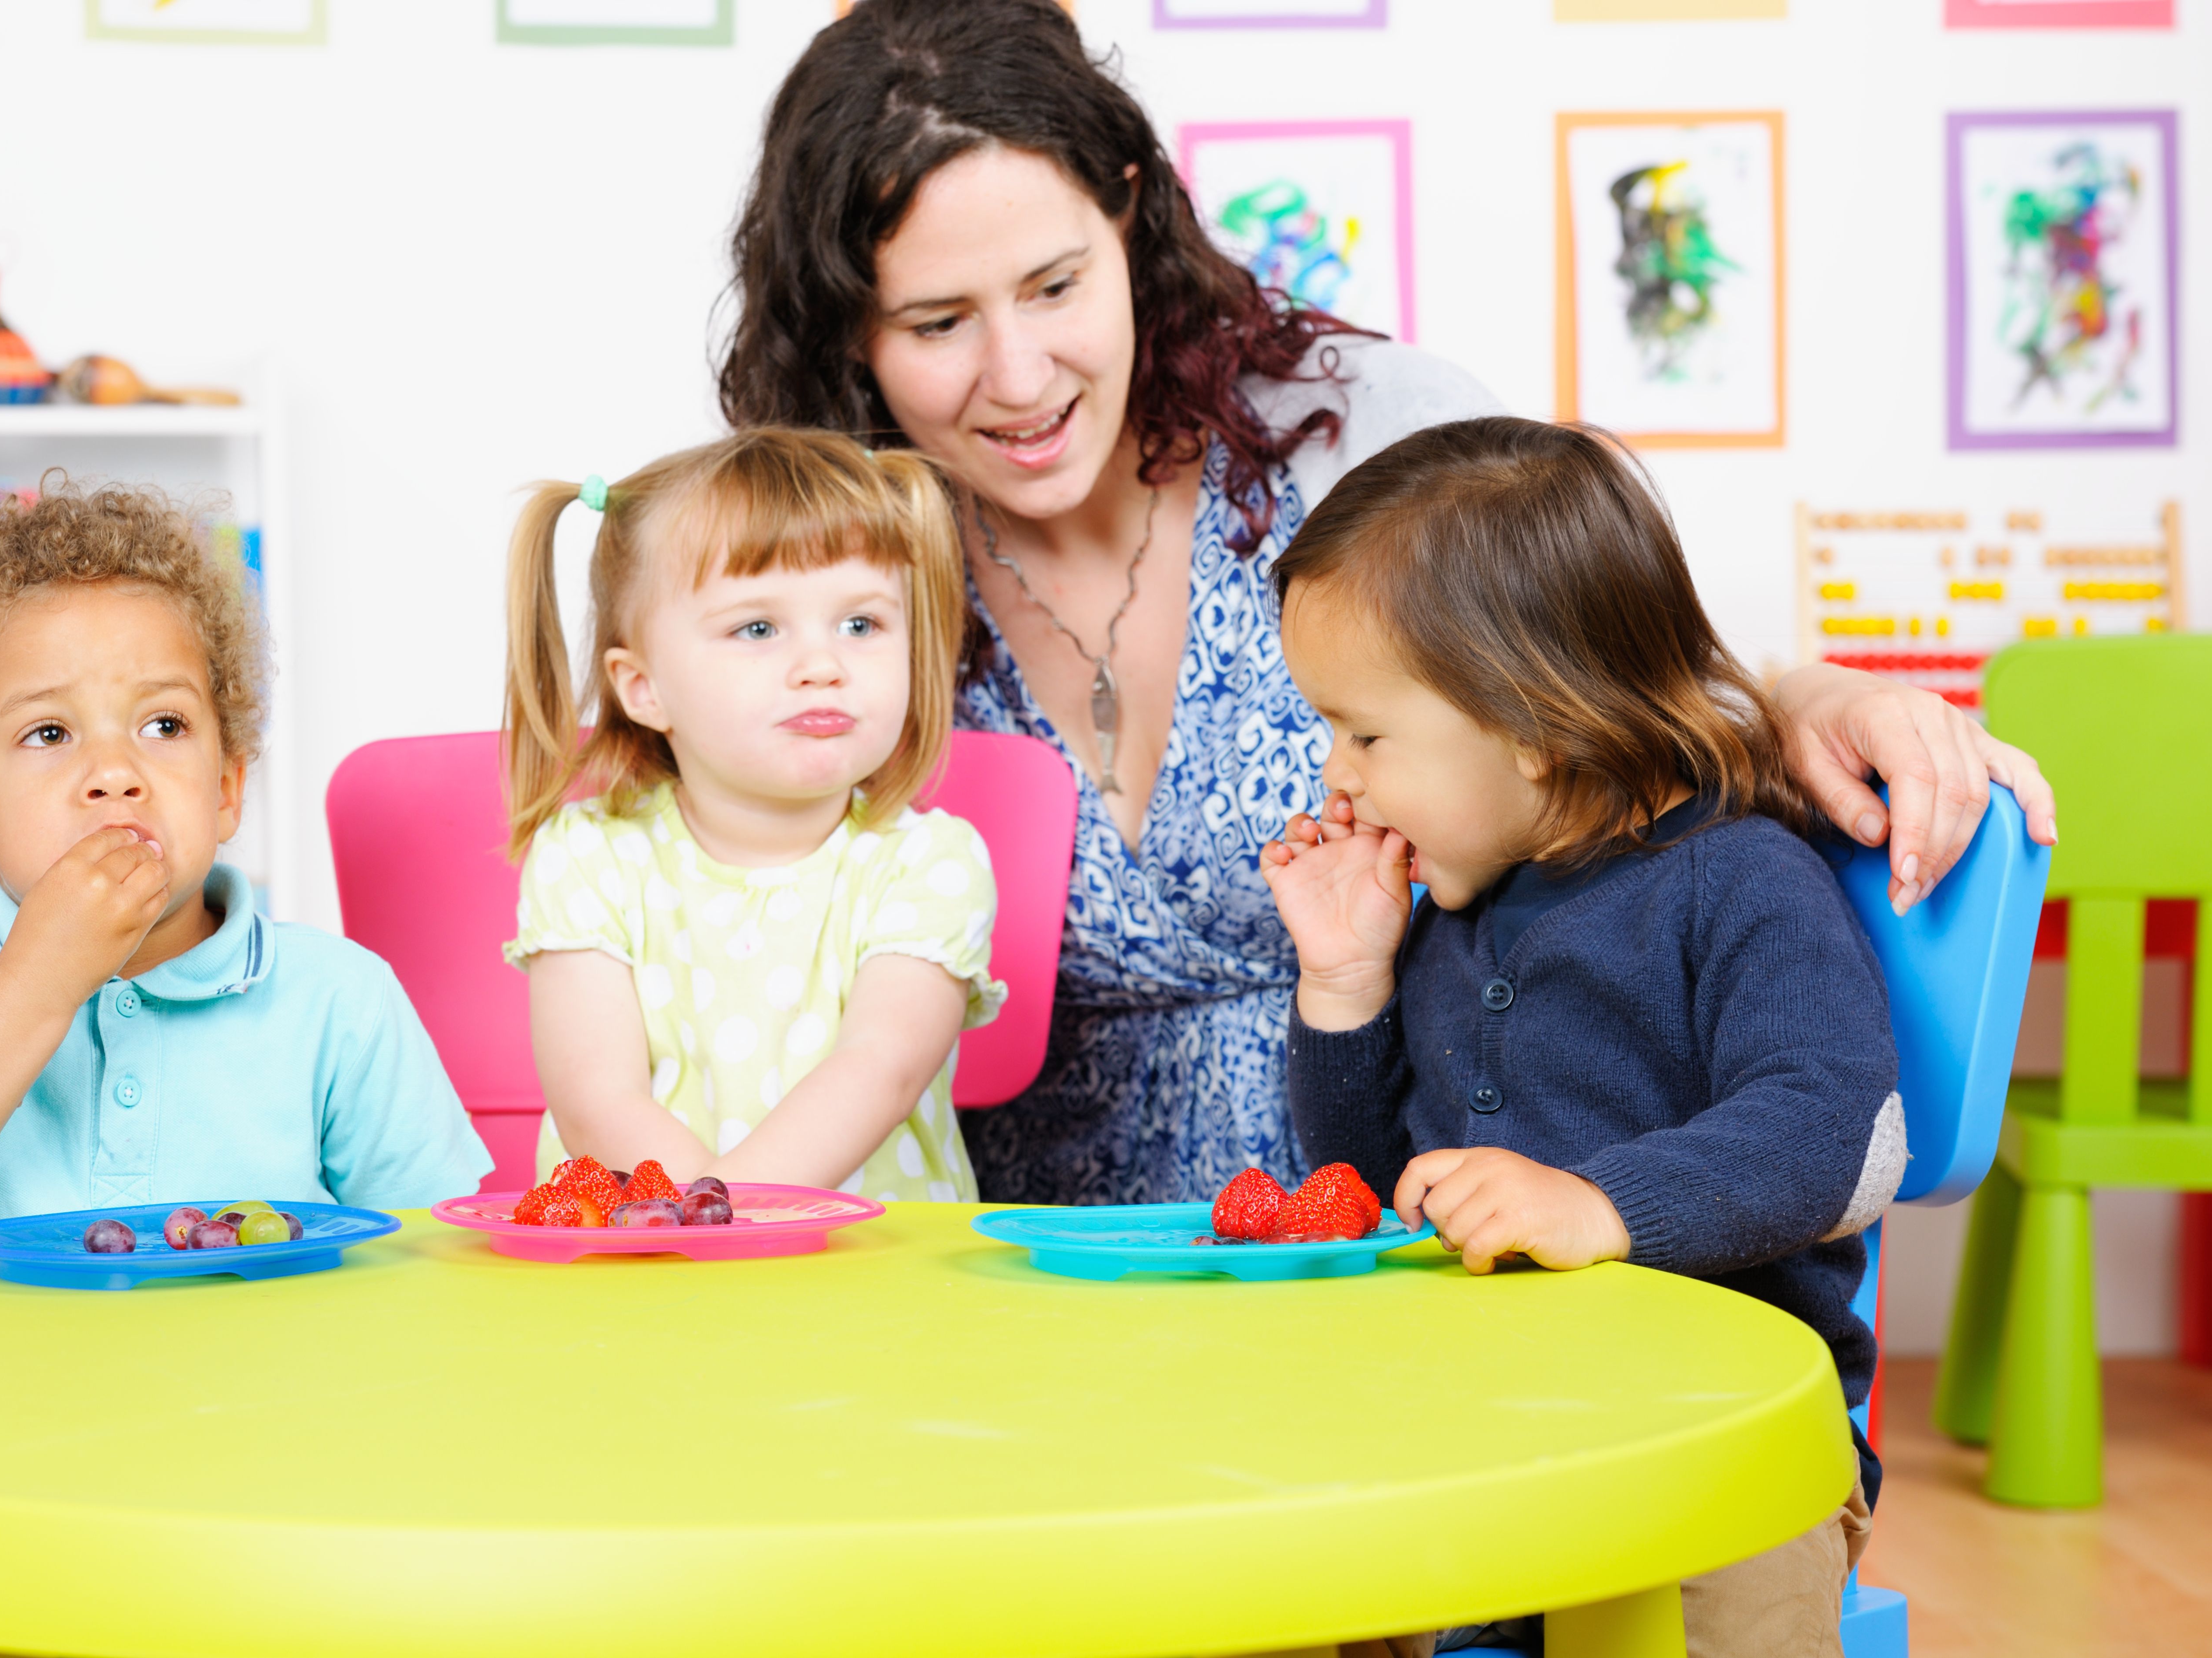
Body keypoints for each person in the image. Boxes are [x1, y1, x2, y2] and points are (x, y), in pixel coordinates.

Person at [715, 0, 2054, 1207]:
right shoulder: (830, 570)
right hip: (1032, 1271)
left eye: (1056, 287)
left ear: (1132, 214)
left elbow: (1628, 685)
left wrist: (1820, 697)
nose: (1017, 374)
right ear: (848, 330)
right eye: (938, 323)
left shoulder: (1366, 436)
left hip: (1404, 1247)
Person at [1266, 419, 1890, 1658]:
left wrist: (1597, 1205)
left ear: (1534, 725)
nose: (1335, 775)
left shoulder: (1741, 879)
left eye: (1366, 734)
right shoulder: (1464, 896)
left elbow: (1833, 1128)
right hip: (1468, 1425)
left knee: (1731, 1578)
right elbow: (1368, 1185)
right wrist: (1345, 983)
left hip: (1717, 1432)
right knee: (1257, 1557)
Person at [0, 482, 491, 1262]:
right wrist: (40, 978)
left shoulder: (338, 998)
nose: (115, 773)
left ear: (227, 788)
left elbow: (442, 1257)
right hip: (0, 1385)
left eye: (164, 724)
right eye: (49, 732)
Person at [501, 429, 1002, 1200]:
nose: (823, 666)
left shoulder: (930, 862)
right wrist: (709, 1229)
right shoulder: (587, 856)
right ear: (644, 689)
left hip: (873, 1283)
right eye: (758, 629)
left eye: (861, 624)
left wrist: (722, 1214)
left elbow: (881, 1069)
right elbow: (599, 1102)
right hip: (652, 1274)